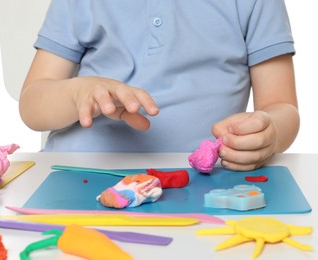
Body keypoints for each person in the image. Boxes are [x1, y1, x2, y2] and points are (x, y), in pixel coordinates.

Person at [19, 0, 299, 171]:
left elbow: (280, 106)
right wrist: (77, 93)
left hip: (204, 180)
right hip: (76, 172)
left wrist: (269, 132)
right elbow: (33, 105)